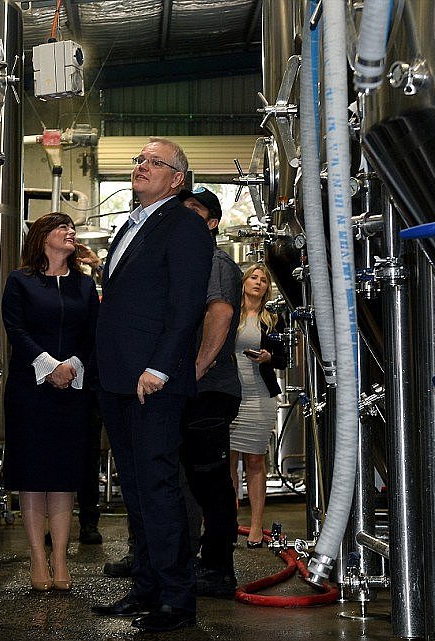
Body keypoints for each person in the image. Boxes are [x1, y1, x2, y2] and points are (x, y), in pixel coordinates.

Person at [91, 137, 212, 633]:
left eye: (153, 162)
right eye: (138, 160)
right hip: (117, 379)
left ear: (177, 178)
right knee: (137, 489)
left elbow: (186, 306)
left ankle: (177, 600)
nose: (140, 166)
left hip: (152, 380)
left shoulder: (184, 226)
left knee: (159, 487)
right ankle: (146, 587)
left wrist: (160, 367)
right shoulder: (129, 225)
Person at [1, 212, 99, 592]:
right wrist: (49, 365)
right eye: (62, 227)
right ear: (43, 237)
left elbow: (92, 333)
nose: (70, 232)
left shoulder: (84, 286)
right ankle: (37, 557)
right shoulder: (20, 281)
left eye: (72, 227)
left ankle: (60, 556)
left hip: (72, 390)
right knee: (33, 475)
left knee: (63, 477)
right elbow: (16, 329)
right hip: (31, 388)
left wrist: (72, 367)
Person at [177, 187, 243, 598]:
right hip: (193, 389)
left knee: (211, 481)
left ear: (212, 222)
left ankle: (219, 569)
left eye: (195, 211)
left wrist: (198, 367)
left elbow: (220, 311)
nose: (186, 217)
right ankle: (203, 561)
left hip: (211, 389)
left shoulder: (216, 260)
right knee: (195, 479)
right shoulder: (190, 261)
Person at [229, 264, 284, 548]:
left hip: (260, 394)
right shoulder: (228, 313)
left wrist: (268, 357)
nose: (258, 282)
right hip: (230, 394)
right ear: (244, 281)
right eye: (254, 277)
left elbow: (284, 358)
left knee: (254, 460)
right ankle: (225, 522)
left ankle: (256, 526)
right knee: (227, 460)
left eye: (264, 279)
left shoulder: (272, 320)